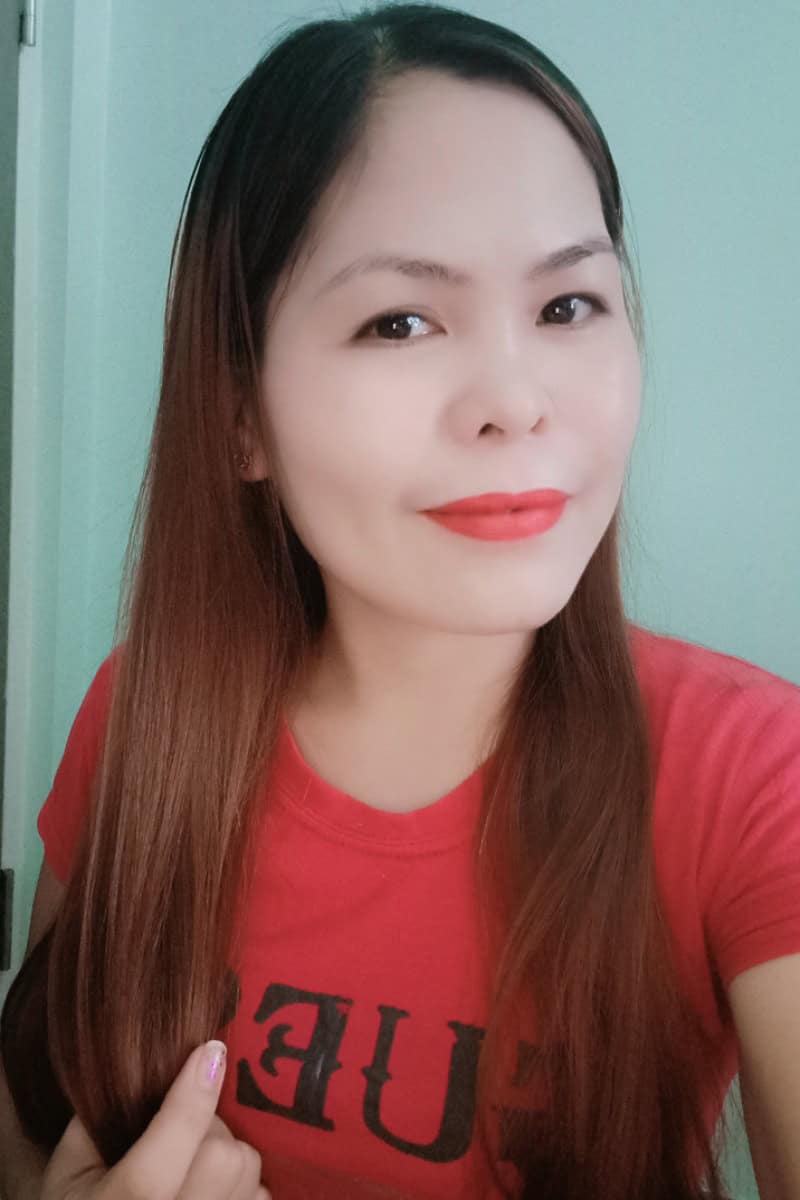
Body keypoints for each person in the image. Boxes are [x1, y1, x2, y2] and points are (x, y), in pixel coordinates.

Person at [2, 3, 799, 1198]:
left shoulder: (749, 776)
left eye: (567, 306)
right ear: (239, 412)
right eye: (400, 321)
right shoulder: (141, 723)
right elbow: (26, 1134)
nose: (515, 402)